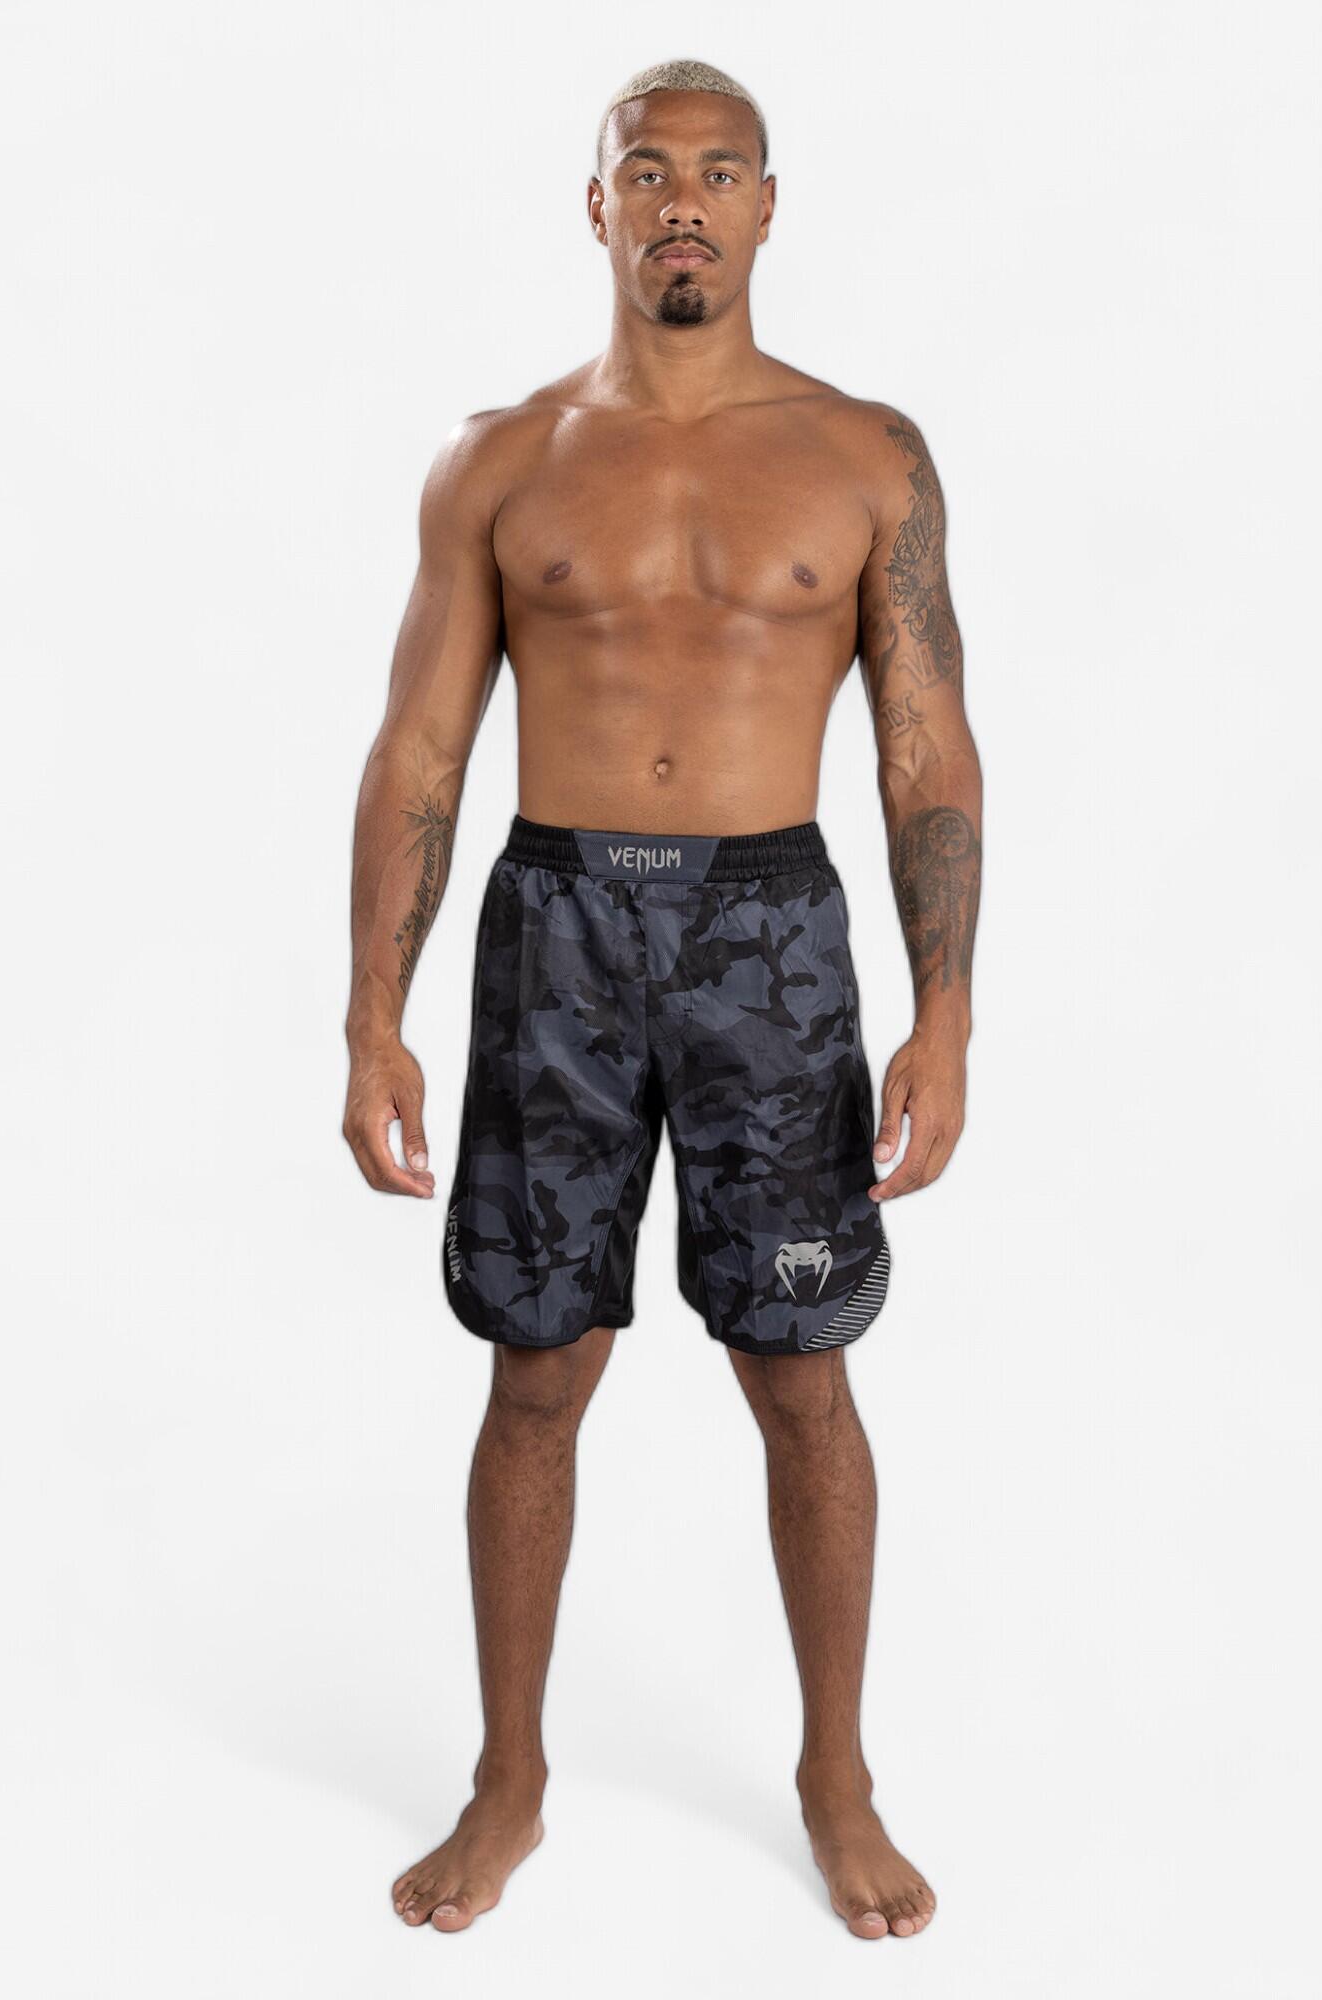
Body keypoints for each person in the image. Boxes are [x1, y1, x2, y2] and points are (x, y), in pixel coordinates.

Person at [344, 58, 981, 1941]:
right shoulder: (501, 458)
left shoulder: (866, 456)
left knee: (804, 1372)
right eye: (647, 170)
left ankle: (837, 1779)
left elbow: (927, 750)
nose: (681, 198)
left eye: (718, 171)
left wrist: (947, 1013)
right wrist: (370, 1014)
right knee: (534, 1371)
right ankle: (509, 1781)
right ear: (599, 205)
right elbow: (419, 748)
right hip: (553, 933)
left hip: (772, 940)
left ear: (768, 207)